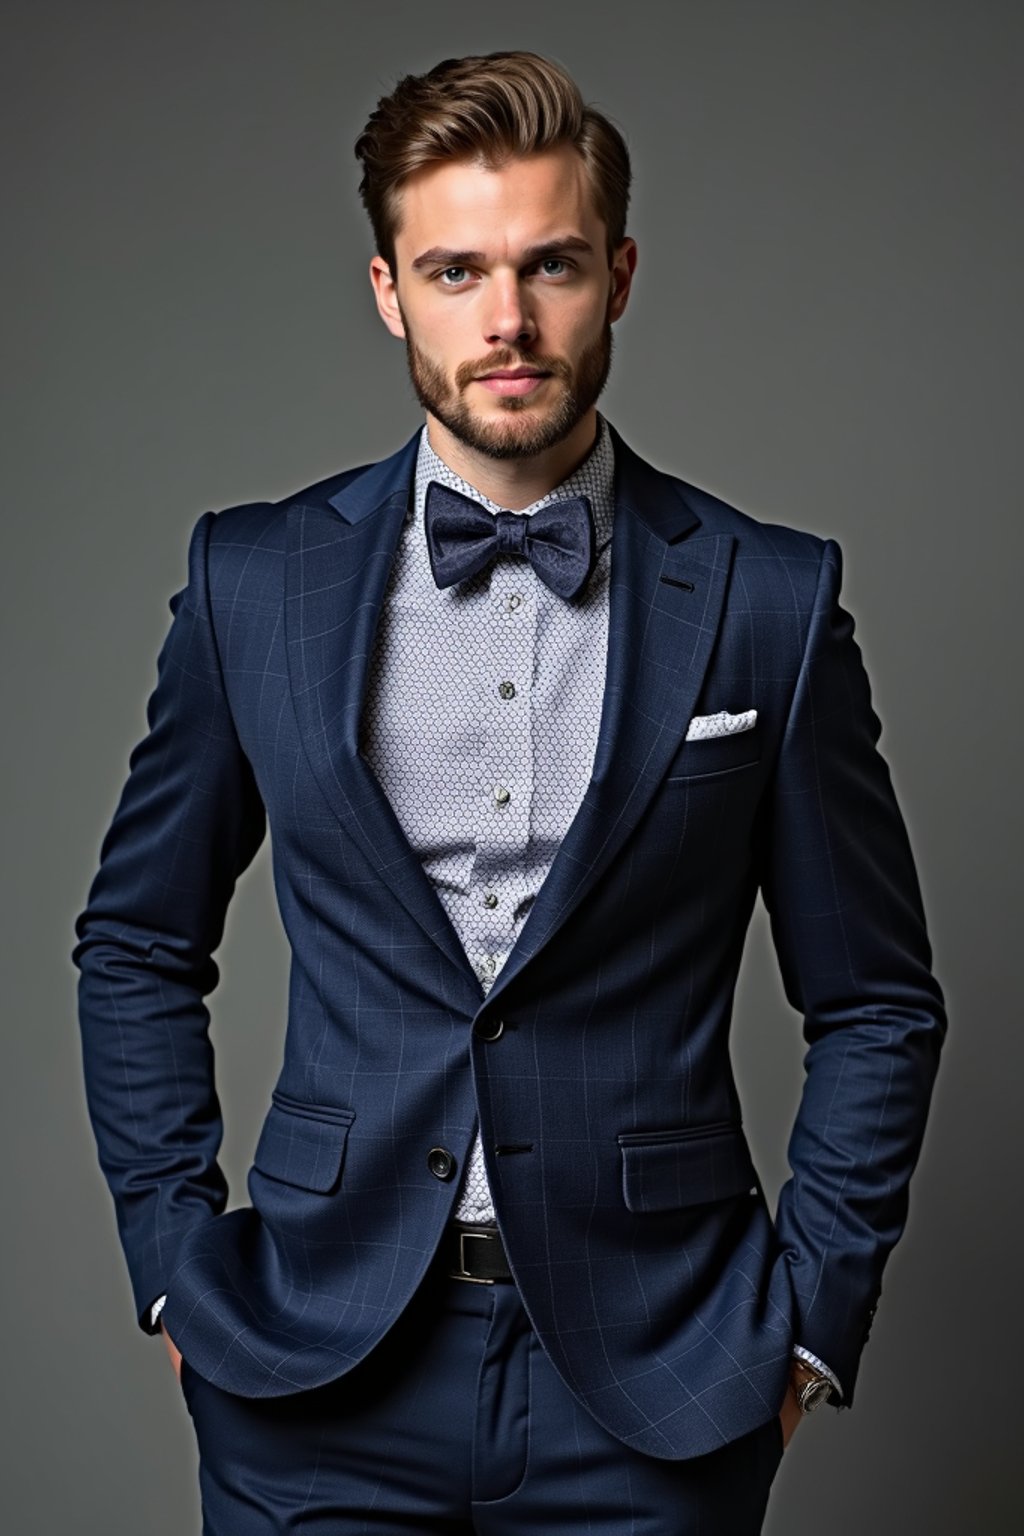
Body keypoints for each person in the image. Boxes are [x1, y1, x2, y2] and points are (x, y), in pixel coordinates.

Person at [74, 50, 946, 1535]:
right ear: (387, 290)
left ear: (616, 274)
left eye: (547, 265)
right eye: (457, 269)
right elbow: (137, 942)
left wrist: (809, 1321)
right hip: (314, 1367)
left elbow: (876, 1000)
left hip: (660, 1381)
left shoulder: (769, 602)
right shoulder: (253, 583)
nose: (507, 320)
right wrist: (174, 1264)